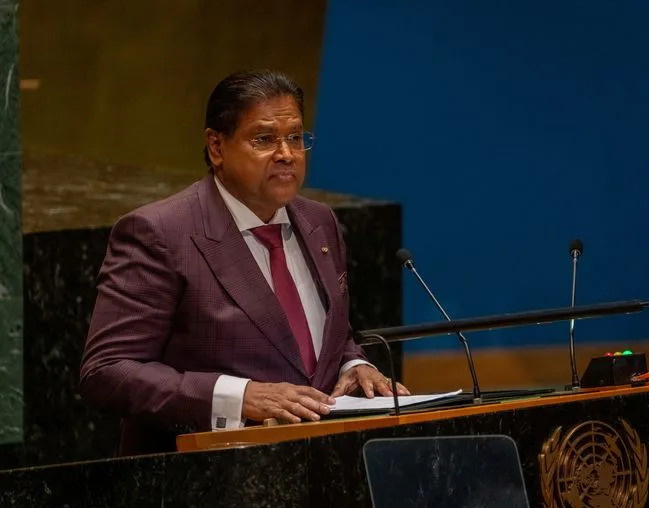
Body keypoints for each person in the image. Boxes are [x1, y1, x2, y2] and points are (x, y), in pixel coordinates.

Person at [80, 69, 409, 455]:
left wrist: (353, 367)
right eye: (264, 139)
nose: (286, 154)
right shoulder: (161, 233)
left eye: (295, 138)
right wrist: (239, 397)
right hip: (206, 472)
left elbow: (326, 337)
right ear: (216, 146)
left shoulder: (320, 222)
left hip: (320, 465)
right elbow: (107, 369)